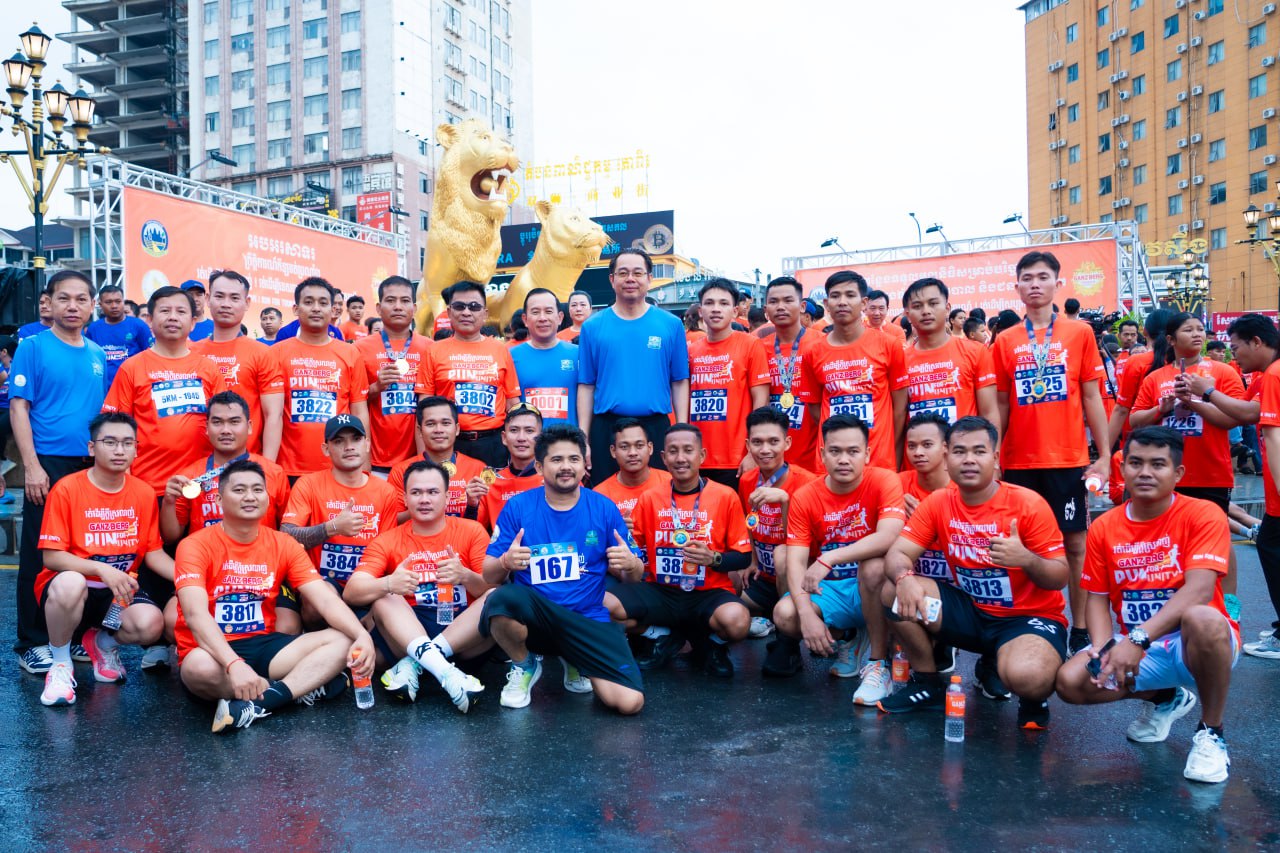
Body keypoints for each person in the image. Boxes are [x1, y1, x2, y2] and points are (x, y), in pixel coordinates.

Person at [1056, 426, 1237, 784]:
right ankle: (1167, 698)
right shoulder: (1105, 526)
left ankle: (1212, 732)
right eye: (1136, 463)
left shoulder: (1203, 513)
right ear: (1122, 469)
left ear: (1178, 473)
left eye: (1158, 464)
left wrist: (1137, 639)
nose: (1145, 472)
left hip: (1194, 642)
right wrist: (1103, 647)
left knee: (1203, 618)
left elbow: (1200, 590)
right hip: (1139, 647)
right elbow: (1097, 597)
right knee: (1070, 681)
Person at [877, 416, 1069, 729]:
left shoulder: (1028, 504)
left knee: (1027, 676)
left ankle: (1031, 696)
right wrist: (904, 578)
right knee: (891, 592)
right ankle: (927, 682)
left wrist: (1027, 559)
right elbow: (898, 553)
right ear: (946, 457)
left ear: (995, 458)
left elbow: (1060, 576)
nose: (968, 459)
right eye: (959, 451)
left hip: (1025, 619)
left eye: (979, 451)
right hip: (970, 611)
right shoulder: (939, 502)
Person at [174, 459, 375, 734]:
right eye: (239, 490)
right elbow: (195, 615)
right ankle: (299, 686)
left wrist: (362, 636)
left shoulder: (283, 543)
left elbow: (325, 599)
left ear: (267, 499)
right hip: (211, 651)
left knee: (344, 639)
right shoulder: (194, 545)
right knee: (197, 668)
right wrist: (233, 664)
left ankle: (261, 702)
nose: (250, 497)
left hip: (263, 645)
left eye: (258, 490)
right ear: (219, 500)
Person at [993, 251, 1109, 657]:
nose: (1035, 284)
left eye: (1043, 277)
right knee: (1019, 547)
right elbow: (1001, 404)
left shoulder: (1080, 333)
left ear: (1058, 284)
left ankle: (1080, 628)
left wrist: (1104, 455)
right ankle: (1025, 622)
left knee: (1075, 546)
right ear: (1017, 287)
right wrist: (994, 455)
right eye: (1027, 278)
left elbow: (1092, 396)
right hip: (1018, 462)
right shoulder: (1005, 340)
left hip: (1067, 459)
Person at [481, 425, 646, 713]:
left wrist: (631, 565)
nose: (566, 467)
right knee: (501, 600)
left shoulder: (604, 508)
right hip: (538, 619)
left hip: (586, 619)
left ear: (584, 464)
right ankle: (525, 664)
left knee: (629, 703)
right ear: (539, 466)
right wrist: (506, 562)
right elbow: (488, 574)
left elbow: (634, 576)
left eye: (574, 459)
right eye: (557, 459)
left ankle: (574, 658)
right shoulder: (518, 507)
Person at [34, 413, 169, 706]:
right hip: (73, 589)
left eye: (127, 443)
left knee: (151, 624)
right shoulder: (67, 488)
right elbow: (52, 556)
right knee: (70, 583)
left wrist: (194, 578)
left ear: (136, 449)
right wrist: (100, 569)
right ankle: (60, 664)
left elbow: (153, 552)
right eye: (110, 442)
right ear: (92, 447)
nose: (119, 450)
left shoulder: (144, 492)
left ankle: (102, 643)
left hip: (118, 594)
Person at [10, 271, 108, 674]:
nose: (73, 306)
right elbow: (19, 407)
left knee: (83, 551)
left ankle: (75, 636)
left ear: (92, 306)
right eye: (64, 298)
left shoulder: (97, 353)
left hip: (89, 466)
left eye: (81, 299)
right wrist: (31, 466)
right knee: (40, 553)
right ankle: (31, 642)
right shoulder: (32, 347)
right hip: (48, 463)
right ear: (48, 303)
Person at [769, 415, 905, 703]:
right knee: (785, 615)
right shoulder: (805, 496)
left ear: (867, 453)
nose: (844, 459)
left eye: (853, 451)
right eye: (835, 451)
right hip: (831, 589)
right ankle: (848, 637)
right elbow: (795, 561)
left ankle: (878, 663)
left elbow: (890, 534)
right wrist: (806, 615)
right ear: (822, 454)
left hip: (873, 586)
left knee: (874, 566)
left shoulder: (884, 480)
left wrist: (830, 557)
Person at [343, 460, 490, 712]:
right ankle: (448, 674)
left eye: (432, 492)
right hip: (408, 631)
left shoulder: (472, 530)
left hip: (462, 634)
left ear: (447, 497)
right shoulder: (387, 540)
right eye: (416, 492)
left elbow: (490, 588)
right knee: (385, 597)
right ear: (405, 498)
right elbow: (351, 592)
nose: (424, 499)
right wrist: (389, 582)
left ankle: (417, 663)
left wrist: (465, 576)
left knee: (498, 596)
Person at [613, 424, 752, 677]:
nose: (680, 458)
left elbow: (743, 557)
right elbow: (634, 549)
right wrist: (622, 535)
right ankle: (661, 636)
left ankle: (711, 645)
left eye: (688, 450)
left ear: (702, 455)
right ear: (664, 457)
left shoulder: (725, 496)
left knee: (739, 621)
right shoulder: (650, 498)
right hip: (661, 591)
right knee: (601, 607)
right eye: (673, 451)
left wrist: (713, 558)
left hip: (707, 593)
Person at [1130, 312, 1243, 608]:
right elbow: (1135, 420)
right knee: (1167, 542)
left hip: (1210, 473)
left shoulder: (1222, 372)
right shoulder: (1156, 377)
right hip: (1165, 476)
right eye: (1188, 330)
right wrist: (1163, 408)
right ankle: (1174, 605)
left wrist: (1195, 401)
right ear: (1170, 339)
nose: (1197, 334)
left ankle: (1228, 608)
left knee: (1218, 541)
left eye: (1200, 329)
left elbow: (1233, 419)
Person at [103, 285, 227, 497]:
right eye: (165, 311)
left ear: (193, 322)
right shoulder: (132, 368)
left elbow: (223, 423)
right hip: (147, 486)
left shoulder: (209, 369)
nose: (173, 317)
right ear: (150, 320)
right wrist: (125, 478)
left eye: (181, 311)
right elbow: (114, 428)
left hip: (202, 484)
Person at [578, 248, 690, 482]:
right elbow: (586, 385)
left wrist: (681, 429)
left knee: (658, 496)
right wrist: (584, 438)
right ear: (612, 279)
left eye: (638, 273)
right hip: (607, 428)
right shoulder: (592, 326)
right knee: (606, 496)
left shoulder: (670, 325)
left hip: (655, 428)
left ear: (649, 278)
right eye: (623, 273)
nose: (630, 279)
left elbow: (679, 381)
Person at [281, 415, 400, 602]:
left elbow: (387, 550)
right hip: (321, 584)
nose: (349, 446)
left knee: (390, 601)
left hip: (367, 582)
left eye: (356, 439)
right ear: (325, 449)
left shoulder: (386, 491)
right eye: (339, 441)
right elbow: (286, 535)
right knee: (319, 597)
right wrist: (332, 527)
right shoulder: (308, 484)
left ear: (367, 444)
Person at [803, 270, 908, 471]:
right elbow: (815, 409)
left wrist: (890, 451)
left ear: (863, 303)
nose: (842, 302)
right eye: (835, 296)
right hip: (831, 465)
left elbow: (900, 408)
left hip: (878, 461)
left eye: (850, 295)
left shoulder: (889, 345)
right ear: (826, 304)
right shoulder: (812, 352)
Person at [737, 407, 816, 659]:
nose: (765, 449)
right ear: (748, 445)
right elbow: (749, 521)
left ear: (787, 443)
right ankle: (768, 618)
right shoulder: (747, 480)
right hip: (763, 577)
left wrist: (785, 501)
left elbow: (801, 540)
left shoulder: (807, 482)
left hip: (798, 578)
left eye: (773, 441)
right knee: (728, 588)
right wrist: (751, 560)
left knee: (783, 555)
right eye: (757, 442)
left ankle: (787, 641)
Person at [160, 391, 291, 542]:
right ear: (207, 428)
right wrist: (168, 502)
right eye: (217, 422)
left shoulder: (274, 473)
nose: (225, 430)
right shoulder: (189, 476)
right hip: (206, 556)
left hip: (260, 556)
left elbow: (288, 530)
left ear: (249, 427)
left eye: (234, 422)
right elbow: (170, 537)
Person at [273, 278, 370, 480]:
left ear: (333, 310)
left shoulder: (350, 353)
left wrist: (365, 465)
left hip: (339, 467)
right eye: (309, 302)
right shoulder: (276, 353)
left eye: (323, 303)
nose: (316, 308)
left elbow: (359, 410)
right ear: (296, 309)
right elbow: (271, 415)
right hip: (289, 468)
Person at [425, 281, 521, 467]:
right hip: (448, 444)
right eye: (459, 306)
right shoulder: (433, 351)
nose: (466, 312)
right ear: (449, 312)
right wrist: (424, 455)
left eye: (474, 307)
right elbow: (424, 408)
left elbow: (512, 402)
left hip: (493, 444)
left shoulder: (500, 350)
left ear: (485, 313)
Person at [191, 270, 285, 458]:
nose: (226, 304)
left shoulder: (262, 353)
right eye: (219, 296)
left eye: (234, 298)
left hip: (245, 464)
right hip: (196, 462)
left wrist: (266, 466)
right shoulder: (191, 352)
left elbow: (273, 416)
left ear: (247, 303)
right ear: (208, 299)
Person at [687, 279, 770, 491]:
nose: (716, 309)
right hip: (696, 459)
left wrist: (753, 452)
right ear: (700, 311)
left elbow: (761, 401)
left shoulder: (751, 345)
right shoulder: (691, 351)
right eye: (709, 303)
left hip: (737, 460)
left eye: (723, 303)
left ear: (734, 311)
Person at [1229, 313, 1280, 658]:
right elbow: (1247, 412)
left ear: (1257, 342)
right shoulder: (1268, 374)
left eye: (1236, 348)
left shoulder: (1273, 375)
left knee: (1271, 549)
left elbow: (1273, 435)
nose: (1234, 356)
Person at [353, 276, 432, 476]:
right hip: (376, 461)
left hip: (419, 461)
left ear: (414, 308)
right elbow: (351, 402)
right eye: (390, 300)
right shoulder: (359, 349)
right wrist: (376, 387)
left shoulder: (431, 348)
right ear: (379, 308)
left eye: (405, 301)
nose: (398, 307)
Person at [902, 277, 999, 427]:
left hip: (965, 442)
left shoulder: (975, 352)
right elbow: (898, 417)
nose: (926, 311)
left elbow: (989, 413)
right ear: (908, 314)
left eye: (933, 303)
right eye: (917, 306)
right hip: (919, 442)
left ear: (947, 308)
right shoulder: (900, 360)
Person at [758, 277, 823, 475]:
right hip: (771, 457)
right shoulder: (757, 348)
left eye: (788, 300)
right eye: (774, 301)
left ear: (802, 306)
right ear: (766, 309)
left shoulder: (822, 344)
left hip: (815, 458)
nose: (780, 307)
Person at [389, 396, 488, 519]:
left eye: (445, 423)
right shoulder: (401, 471)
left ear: (457, 429)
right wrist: (425, 506)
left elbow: (485, 522)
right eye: (430, 424)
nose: (438, 430)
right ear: (419, 431)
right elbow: (393, 521)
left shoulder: (478, 469)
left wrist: (472, 505)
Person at [512, 288, 580, 427]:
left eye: (548, 311)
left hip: (569, 438)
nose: (542, 318)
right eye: (535, 312)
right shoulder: (511, 357)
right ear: (525, 319)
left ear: (560, 317)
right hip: (529, 439)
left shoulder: (578, 354)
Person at [592, 418, 672, 531]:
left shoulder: (670, 482)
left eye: (639, 445)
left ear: (650, 448)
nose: (632, 453)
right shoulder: (599, 495)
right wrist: (613, 530)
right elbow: (593, 535)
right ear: (613, 451)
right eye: (624, 447)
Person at [1108, 309, 1175, 443]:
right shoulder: (1186, 362)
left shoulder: (1137, 362)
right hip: (1179, 443)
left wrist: (1105, 451)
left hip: (1139, 441)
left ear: (1144, 332)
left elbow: (1122, 409)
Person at [476, 403, 545, 530]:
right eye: (514, 430)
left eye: (529, 431)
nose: (521, 438)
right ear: (504, 438)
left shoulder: (556, 480)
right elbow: (473, 533)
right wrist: (471, 505)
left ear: (541, 438)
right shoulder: (491, 483)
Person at [84, 283, 154, 388]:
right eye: (108, 302)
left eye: (118, 301)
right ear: (100, 304)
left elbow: (150, 355)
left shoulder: (139, 325)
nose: (114, 306)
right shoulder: (93, 328)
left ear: (123, 302)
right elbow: (89, 359)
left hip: (132, 385)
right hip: (103, 388)